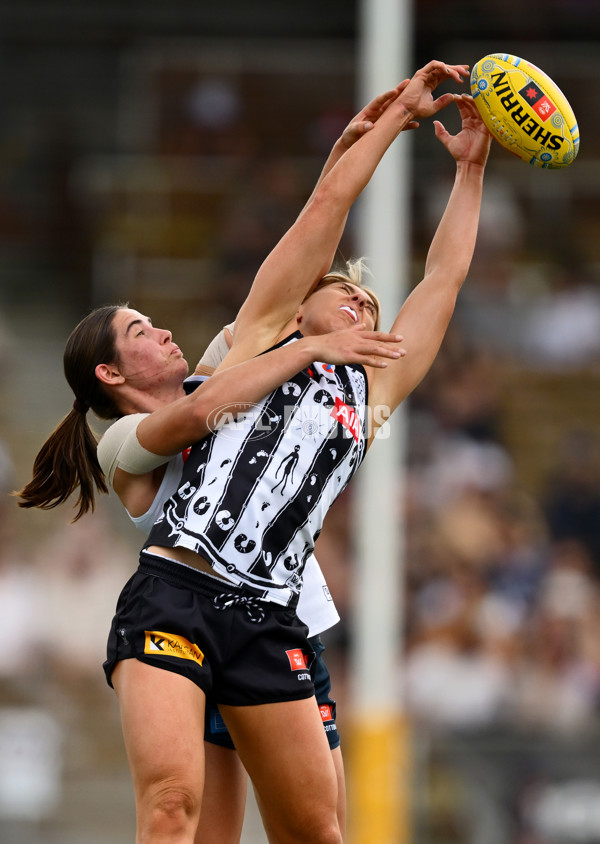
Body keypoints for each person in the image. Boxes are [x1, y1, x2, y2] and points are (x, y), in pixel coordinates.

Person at [22, 60, 492, 843]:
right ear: (297, 302)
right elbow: (325, 208)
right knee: (173, 808)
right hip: (178, 592)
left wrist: (468, 171)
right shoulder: (241, 353)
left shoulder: (370, 391)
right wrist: (381, 130)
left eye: (371, 304)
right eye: (342, 290)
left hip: (272, 616)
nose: (362, 303)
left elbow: (444, 276)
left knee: (316, 832)